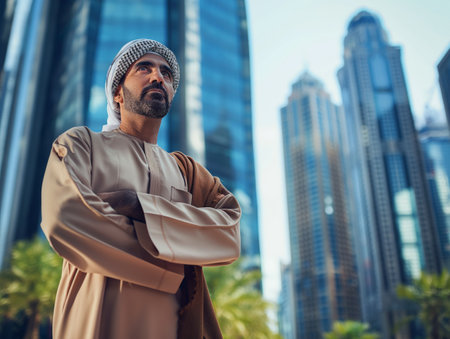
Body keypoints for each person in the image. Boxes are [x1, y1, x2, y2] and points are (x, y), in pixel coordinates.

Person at [41, 39, 241, 339]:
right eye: (143, 68)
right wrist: (176, 251)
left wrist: (140, 206)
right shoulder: (80, 144)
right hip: (96, 321)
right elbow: (66, 219)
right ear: (117, 92)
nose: (158, 77)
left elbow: (229, 235)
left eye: (166, 73)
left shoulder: (187, 171)